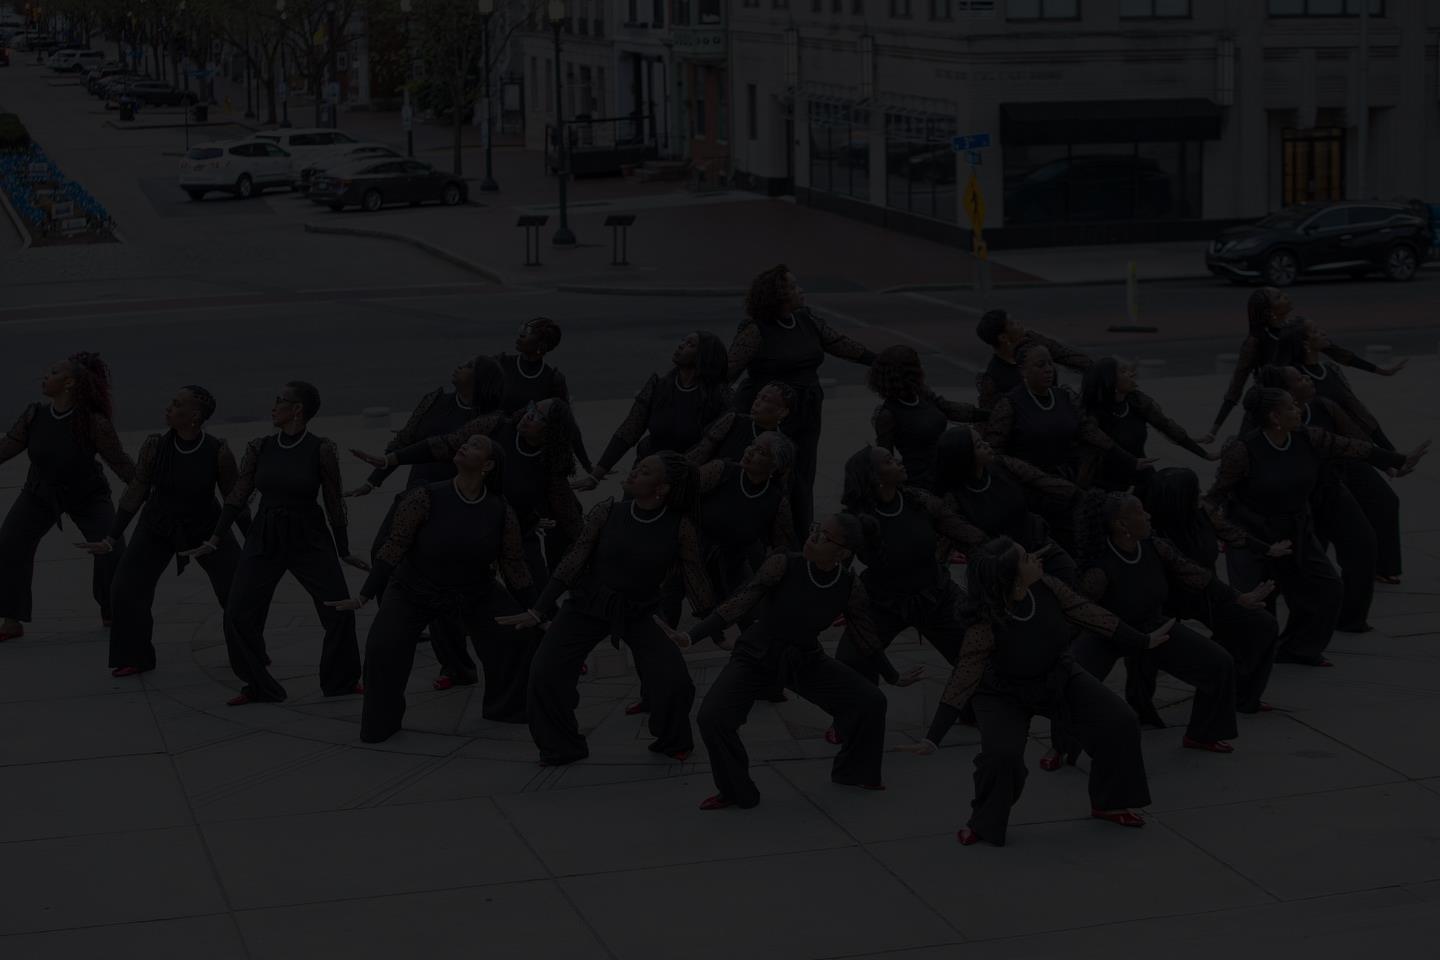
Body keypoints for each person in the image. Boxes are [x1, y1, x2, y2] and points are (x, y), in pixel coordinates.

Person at [899, 537, 1169, 846]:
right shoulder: (985, 621)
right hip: (1003, 694)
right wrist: (933, 738)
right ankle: (984, 823)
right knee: (1001, 757)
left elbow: (1089, 613)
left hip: (1057, 675)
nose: (1036, 558)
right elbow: (963, 677)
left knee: (1120, 720)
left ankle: (1110, 803)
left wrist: (1142, 641)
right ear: (1013, 577)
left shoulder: (1048, 587)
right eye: (1027, 558)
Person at [654, 514, 891, 810]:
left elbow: (865, 635)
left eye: (824, 536)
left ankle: (854, 772)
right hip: (756, 654)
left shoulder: (848, 584)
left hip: (804, 659)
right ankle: (737, 791)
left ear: (842, 553)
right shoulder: (783, 563)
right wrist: (691, 636)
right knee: (712, 717)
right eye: (816, 529)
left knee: (871, 701)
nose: (813, 536)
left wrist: (894, 676)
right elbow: (740, 601)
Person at [496, 452, 715, 766]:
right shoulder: (607, 511)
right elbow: (573, 560)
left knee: (674, 681)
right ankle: (561, 747)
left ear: (662, 488)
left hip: (640, 610)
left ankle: (673, 739)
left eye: (645, 471)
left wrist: (713, 629)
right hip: (587, 603)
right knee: (545, 673)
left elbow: (696, 579)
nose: (634, 472)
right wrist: (538, 610)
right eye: (637, 467)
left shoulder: (681, 527)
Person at [326, 435, 537, 741]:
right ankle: (381, 724)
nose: (465, 446)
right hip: (414, 589)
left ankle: (507, 708)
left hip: (474, 589)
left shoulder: (500, 510)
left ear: (488, 465)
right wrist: (364, 594)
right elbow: (393, 547)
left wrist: (536, 610)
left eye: (475, 446)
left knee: (517, 634)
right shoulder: (425, 496)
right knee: (383, 647)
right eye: (466, 442)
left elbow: (514, 566)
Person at [1204, 386, 1427, 667]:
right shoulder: (1243, 449)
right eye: (1290, 407)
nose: (1298, 409)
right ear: (1274, 417)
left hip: (1296, 530)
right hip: (1253, 534)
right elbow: (1215, 496)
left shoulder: (1308, 437)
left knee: (1327, 589)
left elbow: (1351, 447)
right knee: (1260, 604)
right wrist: (1230, 535)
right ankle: (1250, 659)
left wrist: (1397, 459)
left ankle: (1299, 649)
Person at [183, 381, 368, 705]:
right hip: (265, 535)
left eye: (279, 400)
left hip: (308, 536)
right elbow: (238, 495)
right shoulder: (260, 447)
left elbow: (333, 501)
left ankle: (341, 681)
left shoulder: (321, 449)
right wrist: (215, 537)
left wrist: (343, 549)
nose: (273, 406)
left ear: (297, 409)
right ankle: (258, 686)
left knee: (338, 609)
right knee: (238, 613)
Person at [1063, 491, 1265, 759]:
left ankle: (1202, 734)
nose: (1148, 516)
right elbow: (1079, 610)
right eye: (1140, 512)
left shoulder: (1154, 546)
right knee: (1072, 684)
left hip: (1153, 627)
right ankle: (1062, 746)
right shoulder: (1099, 569)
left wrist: (1238, 597)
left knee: (1219, 663)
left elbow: (1191, 572)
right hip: (1107, 634)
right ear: (1121, 525)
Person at [348, 356, 507, 689]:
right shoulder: (434, 400)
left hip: (452, 502)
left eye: (468, 365)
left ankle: (457, 666)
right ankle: (403, 626)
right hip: (415, 496)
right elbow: (405, 440)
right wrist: (374, 480)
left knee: (440, 584)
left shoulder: (488, 418)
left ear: (480, 379)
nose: (459, 366)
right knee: (383, 555)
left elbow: (449, 448)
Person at [79, 386, 246, 677]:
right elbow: (136, 490)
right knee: (126, 587)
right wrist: (111, 536)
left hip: (204, 526)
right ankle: (135, 656)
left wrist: (252, 538)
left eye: (177, 404)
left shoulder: (217, 451)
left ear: (194, 416)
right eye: (172, 402)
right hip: (156, 525)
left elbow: (235, 498)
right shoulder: (155, 446)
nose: (169, 407)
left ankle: (248, 654)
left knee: (236, 591)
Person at [727, 265, 877, 539]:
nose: (801, 290)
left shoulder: (806, 319)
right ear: (779, 295)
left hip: (807, 410)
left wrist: (877, 360)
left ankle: (799, 536)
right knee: (772, 472)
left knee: (803, 475)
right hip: (771, 412)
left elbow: (839, 343)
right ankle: (764, 536)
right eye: (794, 287)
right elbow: (729, 370)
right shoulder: (756, 329)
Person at [0, 353, 135, 642]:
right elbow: (7, 447)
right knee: (10, 543)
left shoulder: (94, 422)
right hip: (38, 494)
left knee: (112, 548)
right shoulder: (34, 415)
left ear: (70, 383)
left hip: (87, 495)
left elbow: (120, 462)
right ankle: (10, 620)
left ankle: (111, 610)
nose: (45, 376)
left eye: (53, 372)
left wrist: (151, 489)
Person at [1136, 467, 1281, 721]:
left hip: (1206, 592)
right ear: (1178, 499)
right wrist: (1236, 596)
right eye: (1194, 491)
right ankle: (1141, 706)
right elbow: (1185, 569)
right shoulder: (1150, 532)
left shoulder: (1201, 512)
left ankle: (1240, 695)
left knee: (1261, 624)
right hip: (1163, 599)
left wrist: (1267, 549)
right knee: (1148, 648)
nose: (1201, 495)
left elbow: (1228, 531)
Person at [834, 446, 983, 687]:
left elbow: (964, 533)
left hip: (936, 595)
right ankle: (862, 709)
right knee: (851, 662)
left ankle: (973, 703)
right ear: (874, 476)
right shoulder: (855, 519)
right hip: (883, 603)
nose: (899, 462)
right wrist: (841, 601)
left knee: (976, 652)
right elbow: (834, 565)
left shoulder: (919, 500)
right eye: (889, 461)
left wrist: (999, 553)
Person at [1201, 287, 1404, 443]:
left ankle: (1388, 456)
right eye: (1279, 297)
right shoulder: (1255, 342)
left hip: (1306, 385)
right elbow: (1237, 385)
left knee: (1354, 410)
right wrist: (1215, 429)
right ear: (1269, 311)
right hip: (1277, 399)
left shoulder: (1294, 328)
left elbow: (1335, 351)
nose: (1286, 297)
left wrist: (1379, 370)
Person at [1263, 365, 1380, 632]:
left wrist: (1392, 460)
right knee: (1296, 567)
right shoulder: (1267, 426)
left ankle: (1351, 618)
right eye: (1299, 379)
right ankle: (1291, 628)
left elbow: (1355, 439)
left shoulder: (1323, 407)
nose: (1307, 379)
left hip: (1331, 490)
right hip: (1295, 502)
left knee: (1363, 544)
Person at [1293, 321, 1405, 584]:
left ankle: (1383, 567)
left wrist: (1387, 455)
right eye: (1316, 332)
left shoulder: (1331, 370)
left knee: (1385, 501)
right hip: (1313, 460)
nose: (1324, 333)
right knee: (1320, 524)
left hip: (1346, 451)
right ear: (1304, 343)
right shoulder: (1292, 377)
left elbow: (1358, 412)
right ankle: (1305, 575)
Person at [576, 331, 731, 491]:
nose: (681, 345)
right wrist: (595, 476)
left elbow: (720, 444)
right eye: (683, 341)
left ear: (705, 356)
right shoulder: (659, 386)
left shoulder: (718, 395)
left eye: (690, 344)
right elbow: (629, 430)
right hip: (647, 472)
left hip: (687, 478)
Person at [984, 344, 1148, 486]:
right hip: (1029, 484)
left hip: (1067, 481)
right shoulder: (1010, 404)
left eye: (1050, 363)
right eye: (1040, 365)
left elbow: (1091, 433)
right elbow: (994, 453)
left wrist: (1130, 460)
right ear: (1023, 370)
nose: (1048, 369)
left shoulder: (1065, 397)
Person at [933, 426, 1082, 582]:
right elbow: (954, 539)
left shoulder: (1003, 465)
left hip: (1039, 543)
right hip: (1006, 567)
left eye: (983, 441)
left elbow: (1043, 480)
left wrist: (1082, 497)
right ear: (965, 456)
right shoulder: (954, 499)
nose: (987, 445)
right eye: (979, 446)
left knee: (1074, 578)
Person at [1080, 357, 1214, 494]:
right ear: (1109, 381)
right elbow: (1104, 446)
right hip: (1106, 481)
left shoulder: (1136, 402)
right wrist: (1132, 463)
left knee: (1184, 486)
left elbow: (1166, 426)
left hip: (1142, 471)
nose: (1131, 374)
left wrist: (1205, 454)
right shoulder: (1091, 415)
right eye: (1123, 371)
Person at [868, 345, 987, 491]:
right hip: (922, 482)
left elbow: (950, 409)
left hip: (947, 472)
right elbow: (885, 460)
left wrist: (989, 414)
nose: (922, 368)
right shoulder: (888, 415)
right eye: (917, 365)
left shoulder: (922, 394)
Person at [494, 316, 593, 471]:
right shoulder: (501, 363)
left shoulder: (552, 379)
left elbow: (568, 424)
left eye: (528, 332)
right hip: (497, 446)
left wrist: (589, 467)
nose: (521, 335)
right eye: (522, 330)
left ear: (541, 345)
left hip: (529, 453)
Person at [973, 308, 1092, 413]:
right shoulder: (993, 376)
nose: (1019, 323)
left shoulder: (1033, 340)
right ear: (1003, 337)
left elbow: (1065, 355)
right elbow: (991, 415)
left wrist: (1095, 369)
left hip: (1056, 411)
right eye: (1012, 323)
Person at [686, 380, 795, 467]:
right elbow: (701, 452)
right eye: (757, 397)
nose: (757, 402)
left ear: (783, 411)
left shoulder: (782, 445)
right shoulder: (733, 420)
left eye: (765, 399)